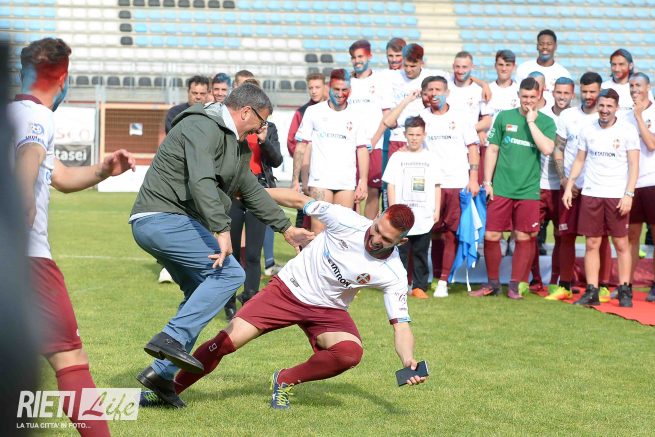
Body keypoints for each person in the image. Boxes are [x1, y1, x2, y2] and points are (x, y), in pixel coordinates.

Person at [130, 83, 313, 408]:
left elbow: (251, 191)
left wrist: (286, 229)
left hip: (172, 221)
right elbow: (201, 180)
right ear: (245, 112)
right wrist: (221, 229)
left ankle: (160, 376)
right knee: (230, 274)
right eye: (261, 122)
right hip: (159, 218)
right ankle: (171, 338)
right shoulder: (201, 125)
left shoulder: (237, 145)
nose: (261, 129)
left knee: (202, 290)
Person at [161, 194, 426, 410]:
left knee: (349, 353)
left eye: (386, 240)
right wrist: (250, 192)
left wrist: (408, 359)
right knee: (226, 342)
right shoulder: (346, 219)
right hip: (286, 290)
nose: (376, 239)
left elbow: (401, 325)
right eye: (377, 229)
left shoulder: (393, 273)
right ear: (377, 216)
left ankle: (285, 379)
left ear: (401, 242)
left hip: (328, 310)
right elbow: (299, 200)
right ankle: (168, 390)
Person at [12, 37, 137, 436]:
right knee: (70, 358)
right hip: (25, 259)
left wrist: (102, 171)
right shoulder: (37, 116)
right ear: (63, 78)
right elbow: (29, 160)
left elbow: (61, 177)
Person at [383, 76, 480, 298]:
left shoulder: (461, 116)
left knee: (451, 233)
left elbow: (473, 147)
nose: (434, 94)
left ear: (447, 92)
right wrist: (408, 100)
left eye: (438, 89)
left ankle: (443, 280)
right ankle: (418, 280)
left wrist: (473, 177)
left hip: (456, 182)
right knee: (428, 232)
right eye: (430, 90)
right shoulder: (421, 117)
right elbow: (389, 122)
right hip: (427, 187)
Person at [470, 77, 556, 299]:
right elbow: (492, 150)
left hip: (528, 190)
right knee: (491, 235)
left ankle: (515, 286)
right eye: (524, 96)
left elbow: (547, 149)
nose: (528, 101)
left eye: (532, 97)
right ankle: (492, 283)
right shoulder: (504, 117)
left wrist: (531, 122)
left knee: (524, 236)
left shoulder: (546, 122)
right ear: (518, 95)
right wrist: (487, 182)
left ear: (539, 96)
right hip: (501, 188)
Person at [562, 88, 640, 307]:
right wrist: (569, 186)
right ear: (598, 106)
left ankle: (624, 289)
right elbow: (579, 160)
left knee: (621, 243)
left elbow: (634, 164)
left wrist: (629, 194)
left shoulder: (627, 130)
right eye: (602, 105)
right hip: (591, 193)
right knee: (592, 243)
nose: (605, 110)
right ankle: (592, 290)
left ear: (616, 108)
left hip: (616, 195)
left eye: (609, 106)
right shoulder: (588, 129)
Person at [549, 72, 614, 301]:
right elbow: (558, 148)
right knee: (565, 235)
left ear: (600, 90)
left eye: (593, 91)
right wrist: (565, 179)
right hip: (571, 187)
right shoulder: (568, 116)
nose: (588, 96)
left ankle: (602, 286)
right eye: (584, 91)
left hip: (597, 188)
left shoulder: (607, 118)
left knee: (599, 238)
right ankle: (565, 285)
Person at [224, 76, 284, 319]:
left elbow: (277, 160)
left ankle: (250, 299)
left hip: (258, 191)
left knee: (252, 253)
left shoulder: (270, 128)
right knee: (231, 251)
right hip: (233, 193)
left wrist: (264, 141)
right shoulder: (233, 127)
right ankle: (228, 301)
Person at [292, 68, 370, 233]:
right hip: (320, 182)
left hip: (346, 183)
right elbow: (301, 146)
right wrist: (295, 180)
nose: (340, 94)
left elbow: (362, 149)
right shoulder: (314, 112)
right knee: (318, 231)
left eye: (344, 90)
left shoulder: (358, 115)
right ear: (329, 88)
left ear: (350, 90)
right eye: (336, 89)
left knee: (342, 231)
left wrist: (363, 181)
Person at [382, 116, 442, 298]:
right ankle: (398, 285)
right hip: (402, 216)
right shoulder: (397, 157)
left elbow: (437, 185)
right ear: (405, 135)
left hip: (424, 214)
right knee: (399, 252)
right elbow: (391, 185)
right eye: (411, 134)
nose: (414, 138)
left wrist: (437, 209)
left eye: (418, 134)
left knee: (420, 252)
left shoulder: (432, 158)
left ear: (424, 135)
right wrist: (393, 209)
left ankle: (419, 287)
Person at [529, 76, 575, 292]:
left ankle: (557, 279)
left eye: (566, 93)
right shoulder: (541, 116)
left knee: (562, 235)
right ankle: (535, 279)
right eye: (559, 92)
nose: (562, 97)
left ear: (572, 94)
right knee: (531, 235)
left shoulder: (576, 118)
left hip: (563, 188)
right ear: (552, 93)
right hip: (538, 185)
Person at [348, 39, 387, 219]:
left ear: (369, 56)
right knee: (350, 190)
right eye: (354, 57)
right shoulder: (347, 82)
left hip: (375, 146)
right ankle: (350, 228)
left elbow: (387, 116)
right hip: (351, 146)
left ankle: (368, 229)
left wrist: (373, 140)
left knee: (372, 191)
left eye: (360, 56)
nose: (357, 60)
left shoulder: (380, 81)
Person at [625, 73, 655, 302]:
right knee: (630, 236)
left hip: (652, 182)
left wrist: (638, 117)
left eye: (638, 85)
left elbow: (651, 144)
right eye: (632, 85)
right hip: (632, 184)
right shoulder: (624, 116)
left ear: (648, 87)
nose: (635, 89)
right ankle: (626, 284)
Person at [286, 72, 326, 230]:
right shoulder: (302, 112)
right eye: (311, 88)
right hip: (306, 173)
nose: (314, 91)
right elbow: (292, 142)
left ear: (325, 87)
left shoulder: (335, 111)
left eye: (317, 87)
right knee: (304, 215)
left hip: (328, 174)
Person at [448, 51, 492, 145]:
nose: (460, 71)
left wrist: (469, 130)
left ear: (472, 67)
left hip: (469, 143)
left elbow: (487, 121)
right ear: (453, 66)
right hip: (448, 142)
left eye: (464, 67)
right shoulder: (445, 86)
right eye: (457, 66)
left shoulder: (480, 91)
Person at [516, 29, 571, 99]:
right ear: (537, 46)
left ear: (555, 46)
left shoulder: (563, 73)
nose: (545, 47)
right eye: (541, 44)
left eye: (549, 44)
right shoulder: (524, 68)